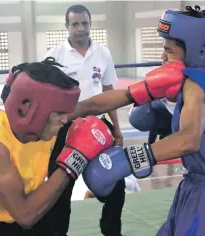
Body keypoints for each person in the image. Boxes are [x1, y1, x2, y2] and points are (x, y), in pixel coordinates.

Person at [68, 5, 205, 235]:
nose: (163, 56)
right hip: (198, 190)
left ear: (194, 48)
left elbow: (189, 140)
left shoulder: (197, 84)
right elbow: (123, 96)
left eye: (169, 50)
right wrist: (77, 109)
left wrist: (129, 160)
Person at [0, 57, 115, 236]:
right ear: (29, 109)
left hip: (33, 224)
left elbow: (91, 105)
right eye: (60, 113)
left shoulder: (45, 124)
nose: (66, 119)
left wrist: (144, 91)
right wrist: (74, 159)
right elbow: (25, 214)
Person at [44, 4, 126, 236]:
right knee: (60, 189)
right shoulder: (54, 55)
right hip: (65, 129)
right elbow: (45, 96)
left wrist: (117, 130)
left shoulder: (103, 53)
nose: (81, 29)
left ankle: (111, 231)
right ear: (67, 26)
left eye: (85, 23)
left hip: (99, 126)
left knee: (116, 183)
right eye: (75, 24)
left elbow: (110, 92)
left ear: (90, 24)